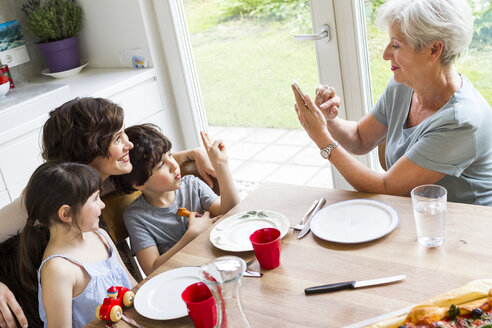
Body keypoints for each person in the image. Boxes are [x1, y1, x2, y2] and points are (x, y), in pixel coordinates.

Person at [0, 97, 215, 328]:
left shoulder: (105, 177)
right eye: (116, 138)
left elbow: (150, 162)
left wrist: (191, 154)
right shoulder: (42, 200)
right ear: (87, 153)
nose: (129, 144)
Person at [293, 0, 492, 205]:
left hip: (466, 226)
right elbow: (360, 138)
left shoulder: (461, 121)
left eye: (396, 45)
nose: (385, 54)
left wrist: (323, 140)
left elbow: (387, 188)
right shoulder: (404, 85)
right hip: (418, 215)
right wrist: (327, 121)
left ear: (433, 50)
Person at [19, 162, 137, 328]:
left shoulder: (100, 236)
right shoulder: (58, 270)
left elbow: (133, 287)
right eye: (95, 198)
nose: (102, 204)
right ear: (66, 213)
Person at [112, 124, 239, 275]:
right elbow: (151, 269)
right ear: (139, 183)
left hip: (217, 267)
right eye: (161, 165)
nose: (174, 165)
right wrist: (191, 235)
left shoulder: (192, 185)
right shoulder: (136, 216)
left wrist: (221, 165)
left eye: (170, 155)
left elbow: (232, 212)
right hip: (179, 280)